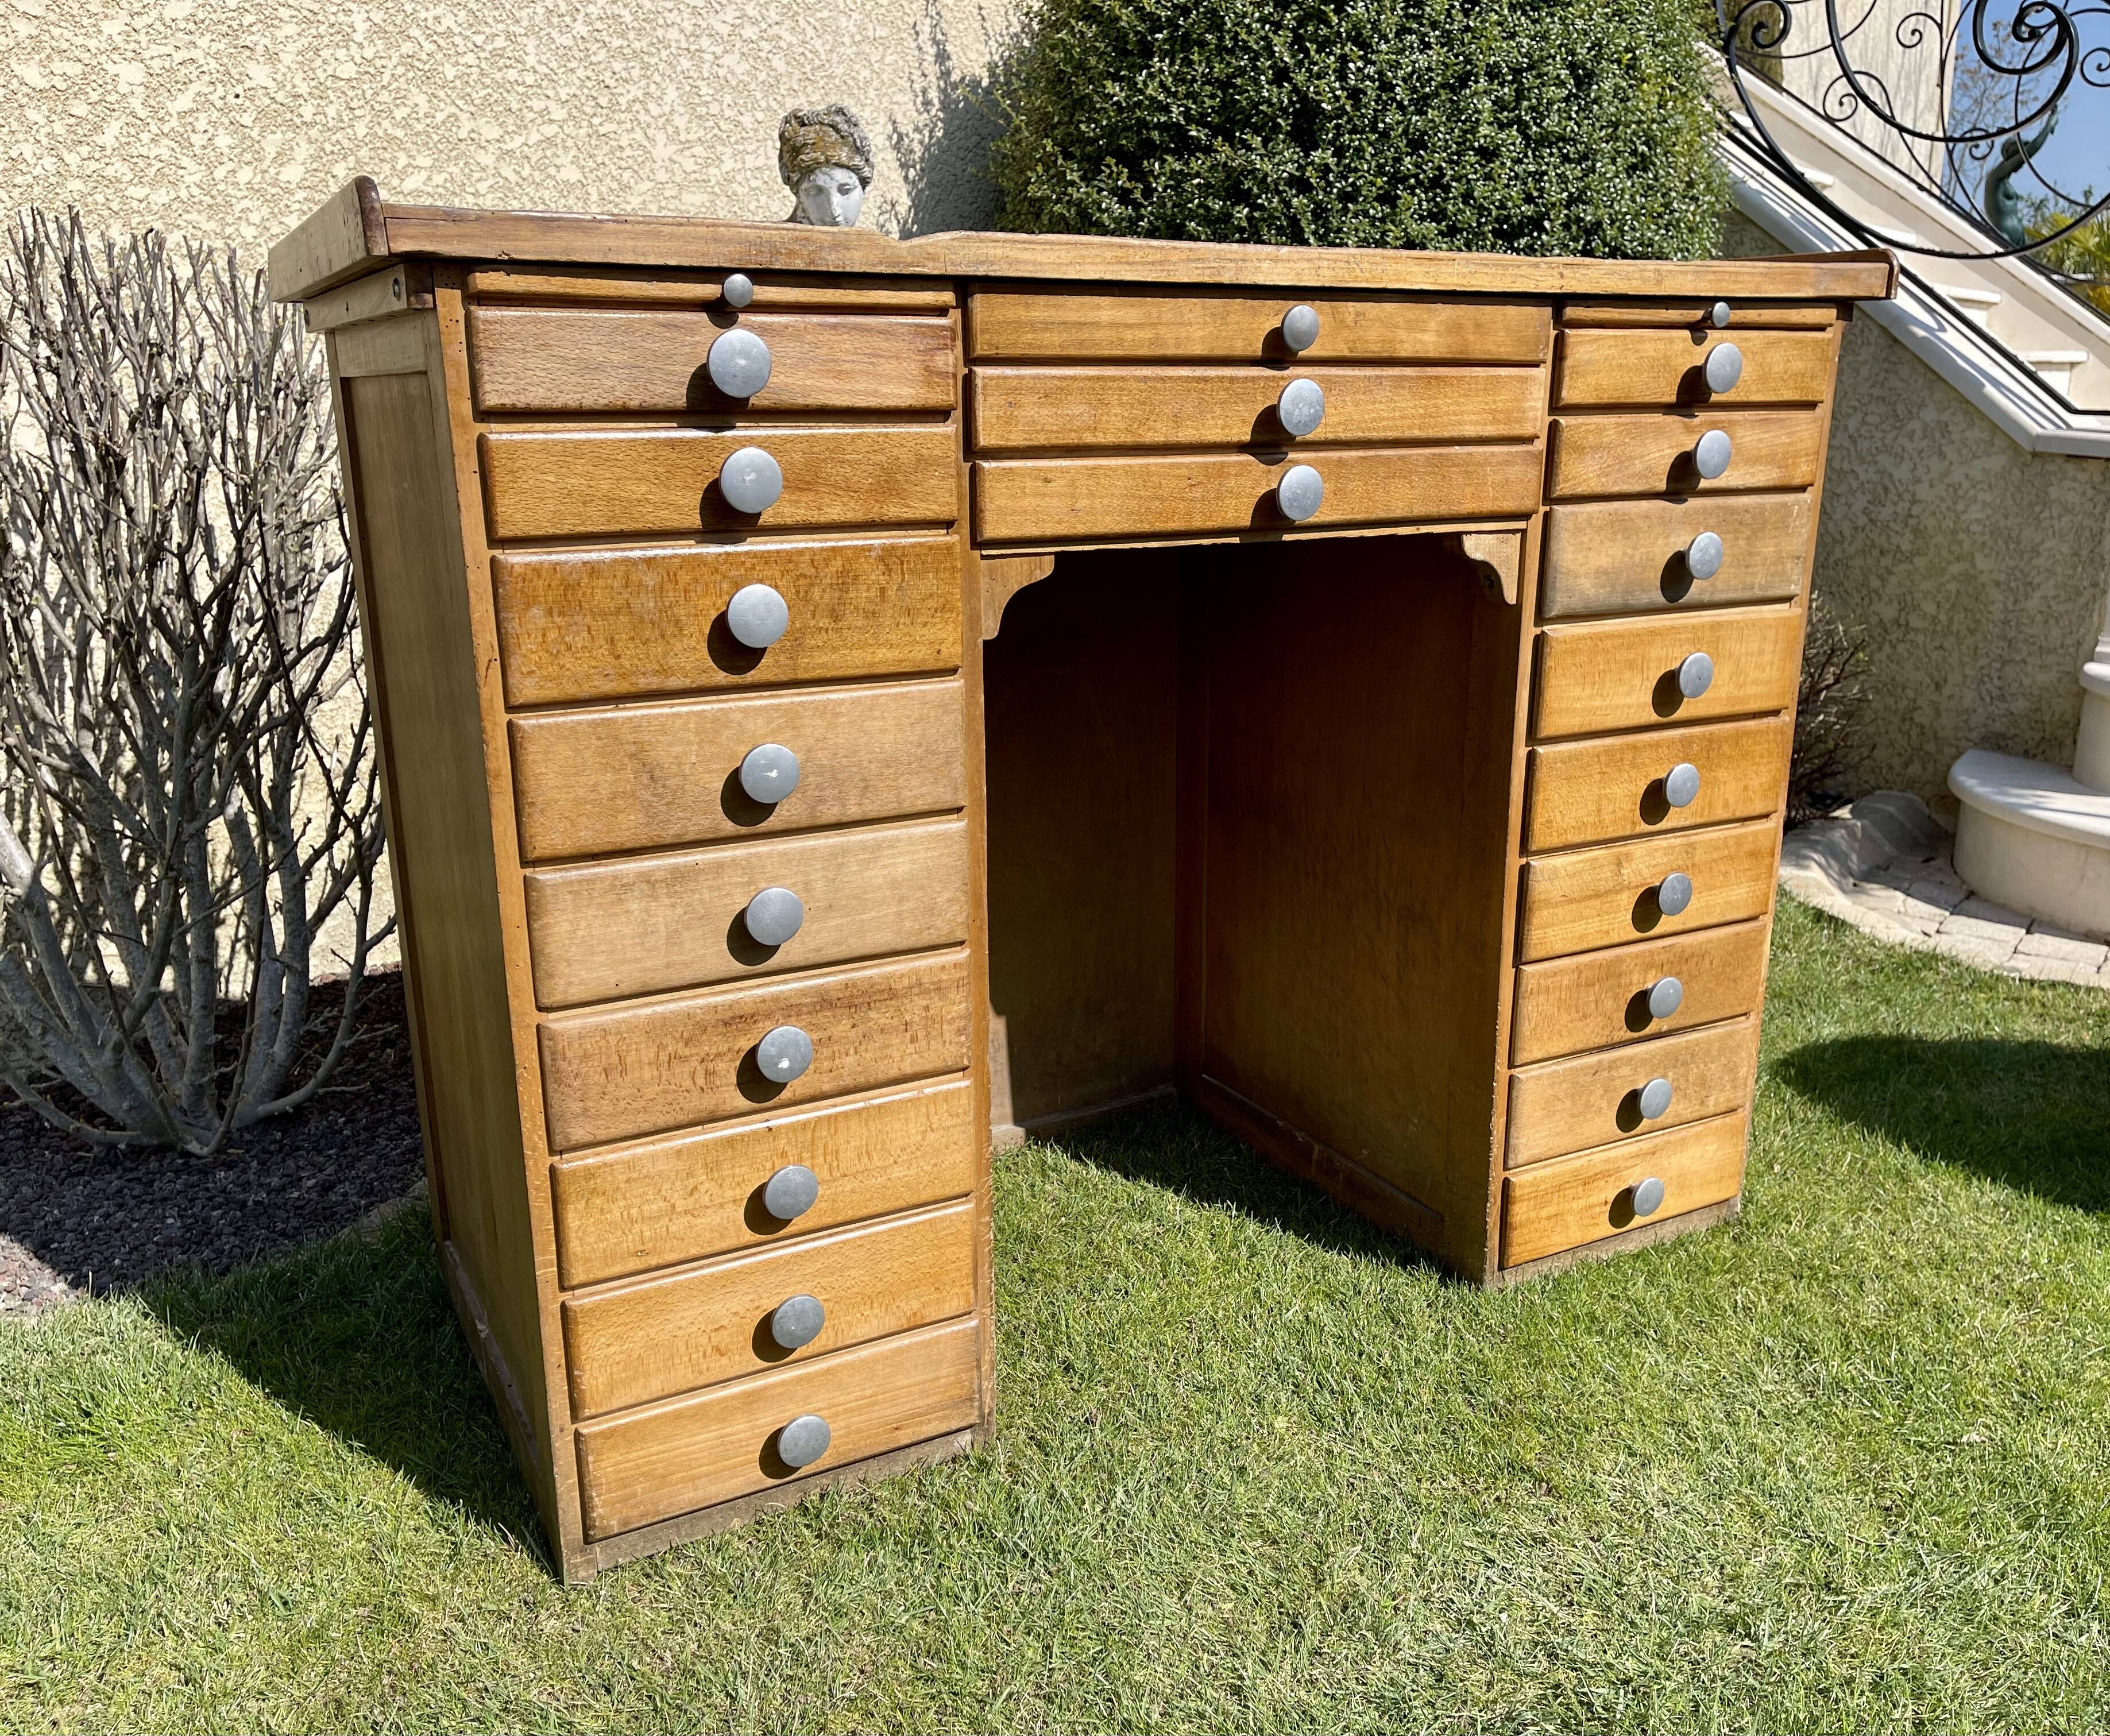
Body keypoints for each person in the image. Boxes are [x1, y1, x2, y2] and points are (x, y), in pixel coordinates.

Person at [778, 105, 874, 227]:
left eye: (846, 190)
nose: (834, 212)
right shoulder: (767, 238)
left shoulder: (873, 239)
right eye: (815, 191)